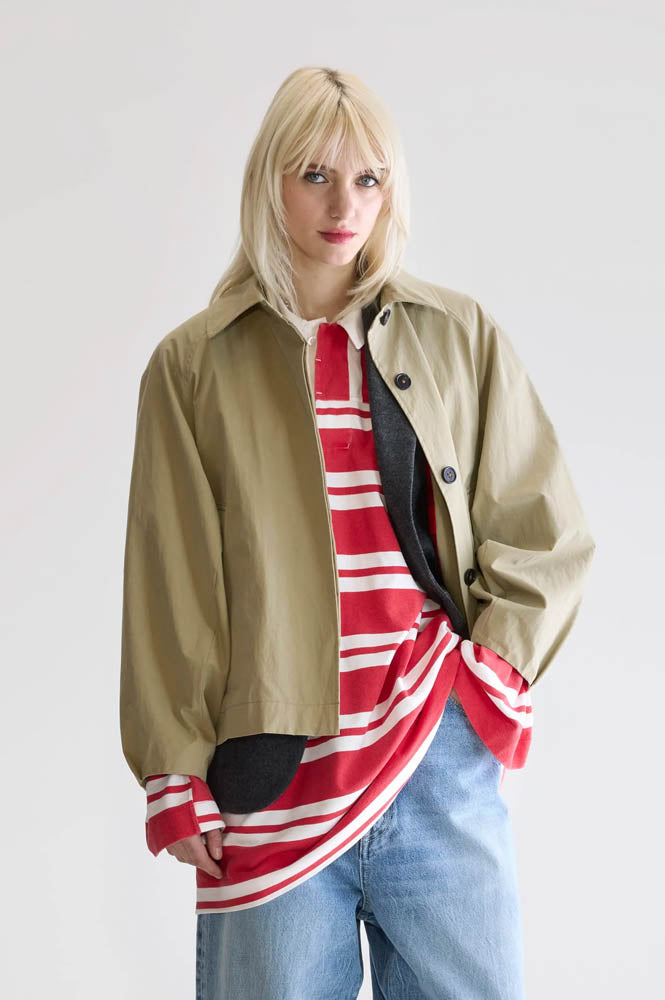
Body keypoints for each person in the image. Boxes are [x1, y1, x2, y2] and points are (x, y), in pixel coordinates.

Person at [119, 66, 596, 999]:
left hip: (435, 755)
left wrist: (490, 673)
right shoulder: (193, 365)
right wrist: (174, 768)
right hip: (270, 784)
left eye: (368, 179)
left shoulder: (458, 336)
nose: (345, 206)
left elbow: (545, 531)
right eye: (315, 176)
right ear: (269, 181)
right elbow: (170, 584)